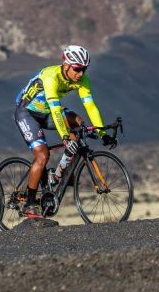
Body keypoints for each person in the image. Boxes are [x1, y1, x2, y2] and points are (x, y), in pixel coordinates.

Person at [14, 45, 114, 218]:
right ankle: (29, 204)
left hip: (47, 112)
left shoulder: (82, 80)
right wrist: (64, 136)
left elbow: (90, 106)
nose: (81, 74)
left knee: (78, 122)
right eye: (77, 69)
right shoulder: (51, 76)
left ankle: (65, 171)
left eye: (84, 69)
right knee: (42, 155)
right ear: (66, 65)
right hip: (27, 112)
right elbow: (55, 109)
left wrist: (102, 133)